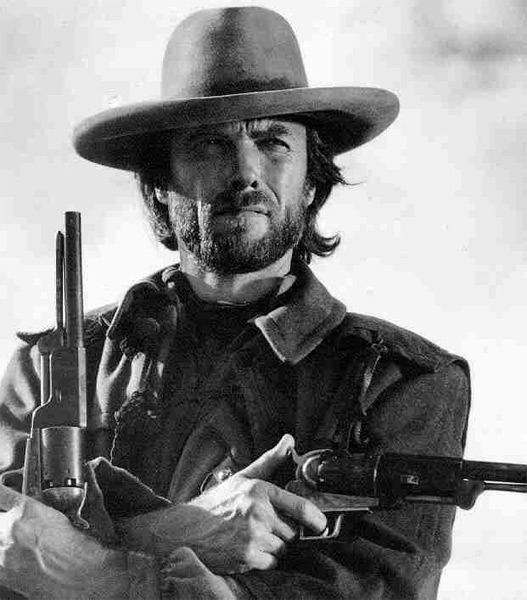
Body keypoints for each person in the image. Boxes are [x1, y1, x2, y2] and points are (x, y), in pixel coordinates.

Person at [0, 7, 470, 599]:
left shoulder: (400, 382)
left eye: (273, 142)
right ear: (159, 185)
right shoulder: (50, 369)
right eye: (210, 144)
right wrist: (184, 530)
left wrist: (97, 569)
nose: (246, 172)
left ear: (312, 180)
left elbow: (377, 589)